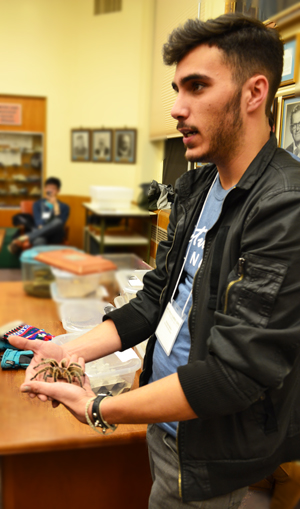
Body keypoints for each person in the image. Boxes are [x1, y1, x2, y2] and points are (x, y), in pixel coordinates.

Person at [9, 14, 300, 508]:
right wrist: (70, 348)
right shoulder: (197, 186)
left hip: (209, 447)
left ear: (255, 93)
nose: (178, 109)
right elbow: (154, 301)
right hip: (162, 420)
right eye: (176, 89)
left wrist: (101, 407)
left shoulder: (284, 205)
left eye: (197, 87)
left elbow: (233, 375)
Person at [9, 177, 69, 255]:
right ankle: (40, 266)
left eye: (53, 189)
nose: (50, 191)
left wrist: (55, 205)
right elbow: (38, 221)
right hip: (40, 233)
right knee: (39, 240)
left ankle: (25, 237)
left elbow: (61, 223)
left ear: (58, 191)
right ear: (44, 189)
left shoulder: (64, 207)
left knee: (58, 222)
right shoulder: (37, 204)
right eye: (48, 188)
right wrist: (42, 229)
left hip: (55, 234)